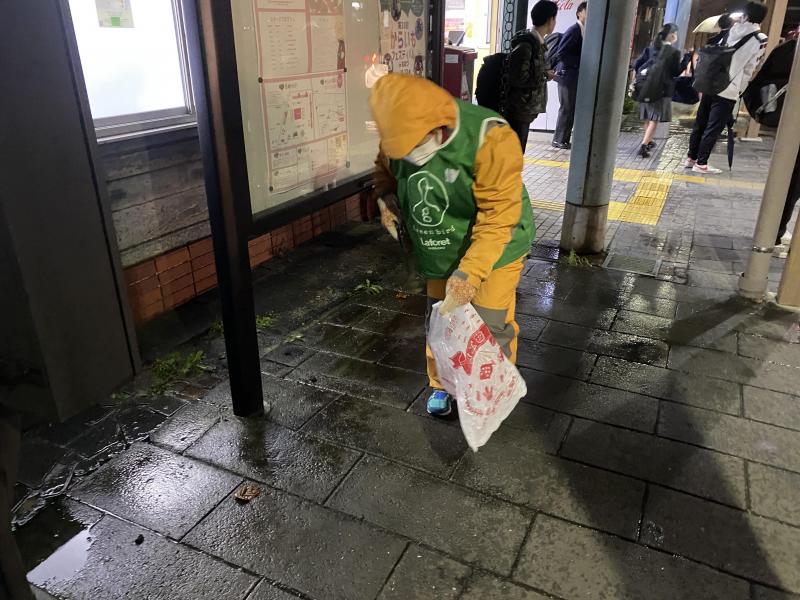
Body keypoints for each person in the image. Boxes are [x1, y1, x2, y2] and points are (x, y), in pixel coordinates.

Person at [369, 74, 535, 417]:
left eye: (419, 144)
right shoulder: (398, 137)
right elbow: (384, 169)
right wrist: (385, 198)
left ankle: (490, 391)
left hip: (497, 245)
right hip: (440, 242)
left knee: (488, 323)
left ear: (438, 123)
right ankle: (442, 383)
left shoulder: (491, 138)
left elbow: (499, 215)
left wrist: (471, 274)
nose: (411, 155)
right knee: (441, 320)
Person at [686, 1, 768, 175]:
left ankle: (691, 158)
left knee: (700, 123)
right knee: (714, 127)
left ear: (744, 15)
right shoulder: (760, 39)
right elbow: (749, 68)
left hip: (711, 84)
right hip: (729, 89)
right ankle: (701, 163)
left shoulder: (731, 30)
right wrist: (740, 90)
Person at [504, 0, 558, 150]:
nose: (555, 22)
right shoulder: (526, 46)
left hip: (525, 109)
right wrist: (544, 76)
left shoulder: (537, 44)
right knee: (515, 153)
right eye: (555, 18)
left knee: (517, 152)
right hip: (519, 109)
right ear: (550, 19)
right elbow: (518, 77)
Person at [633, 23, 682, 158]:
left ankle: (648, 141)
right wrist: (685, 63)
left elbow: (637, 64)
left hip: (645, 86)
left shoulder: (651, 48)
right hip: (662, 90)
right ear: (672, 35)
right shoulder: (674, 52)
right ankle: (643, 146)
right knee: (654, 119)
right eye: (676, 33)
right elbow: (675, 72)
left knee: (648, 117)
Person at [551, 1, 587, 149]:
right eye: (587, 11)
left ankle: (564, 139)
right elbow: (561, 53)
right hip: (566, 76)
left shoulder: (583, 30)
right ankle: (558, 140)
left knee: (570, 108)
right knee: (566, 107)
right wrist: (581, 60)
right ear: (579, 13)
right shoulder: (574, 30)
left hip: (572, 76)